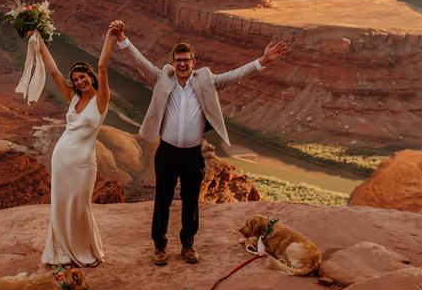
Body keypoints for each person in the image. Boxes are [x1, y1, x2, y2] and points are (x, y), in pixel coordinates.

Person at [109, 20, 288, 266]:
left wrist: (263, 60)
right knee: (162, 200)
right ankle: (160, 246)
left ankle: (188, 245)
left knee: (191, 202)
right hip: (167, 152)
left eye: (186, 60)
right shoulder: (162, 78)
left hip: (192, 155)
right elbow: (139, 62)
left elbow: (234, 76)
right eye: (178, 60)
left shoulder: (206, 80)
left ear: (194, 62)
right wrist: (122, 39)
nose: (182, 64)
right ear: (173, 63)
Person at [37, 25, 118, 267]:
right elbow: (53, 71)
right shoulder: (72, 97)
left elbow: (103, 67)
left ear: (90, 77)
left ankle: (83, 251)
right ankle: (61, 251)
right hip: (62, 158)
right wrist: (37, 38)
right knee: (61, 204)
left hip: (83, 162)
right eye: (75, 79)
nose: (79, 81)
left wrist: (109, 37)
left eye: (83, 77)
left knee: (80, 205)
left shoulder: (101, 99)